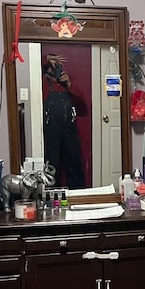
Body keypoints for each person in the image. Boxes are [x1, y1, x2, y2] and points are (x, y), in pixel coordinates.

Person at [42, 54, 87, 189]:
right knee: (52, 166)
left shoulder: (66, 87)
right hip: (51, 131)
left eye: (57, 68)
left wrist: (69, 85)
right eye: (51, 68)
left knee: (74, 163)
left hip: (69, 130)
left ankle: (78, 194)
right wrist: (47, 59)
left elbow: (83, 108)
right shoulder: (42, 84)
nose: (54, 70)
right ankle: (52, 198)